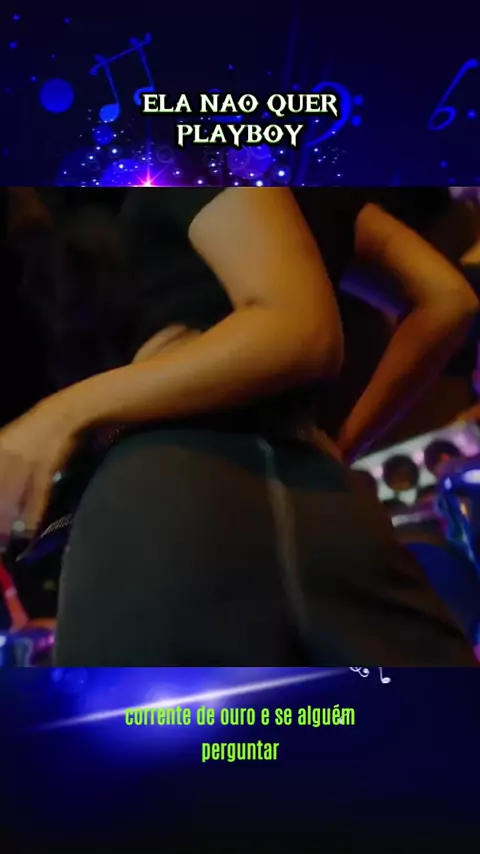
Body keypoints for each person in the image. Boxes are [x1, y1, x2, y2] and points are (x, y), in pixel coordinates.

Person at [0, 187, 479, 667]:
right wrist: (345, 444)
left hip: (172, 495)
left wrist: (57, 417)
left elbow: (298, 326)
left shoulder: (182, 155)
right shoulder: (298, 192)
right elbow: (446, 298)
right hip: (317, 491)